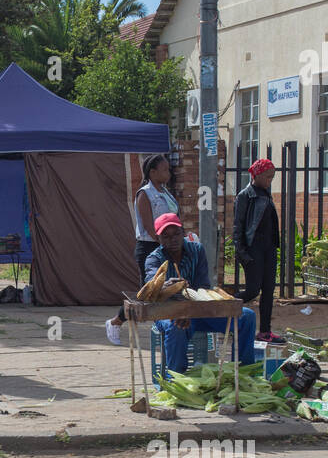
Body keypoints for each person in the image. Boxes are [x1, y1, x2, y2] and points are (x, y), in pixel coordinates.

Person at [107, 213, 256, 374]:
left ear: (183, 232)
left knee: (246, 316)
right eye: (166, 236)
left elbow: (203, 286)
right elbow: (153, 289)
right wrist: (166, 286)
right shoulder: (154, 259)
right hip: (168, 313)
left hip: (198, 312)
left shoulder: (196, 251)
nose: (173, 239)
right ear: (159, 239)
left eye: (176, 233)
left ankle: (243, 372)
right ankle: (176, 378)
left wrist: (189, 311)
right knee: (176, 326)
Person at [234, 158, 283, 343]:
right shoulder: (245, 196)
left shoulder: (266, 194)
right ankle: (226, 306)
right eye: (268, 176)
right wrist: (241, 252)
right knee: (253, 290)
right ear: (257, 175)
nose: (270, 180)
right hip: (253, 249)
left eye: (272, 177)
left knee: (269, 290)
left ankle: (265, 331)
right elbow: (238, 227)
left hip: (269, 249)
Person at [133, 153, 179, 281]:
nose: (168, 172)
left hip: (167, 246)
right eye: (164, 169)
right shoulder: (145, 194)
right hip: (150, 247)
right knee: (152, 288)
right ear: (153, 172)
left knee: (169, 285)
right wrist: (165, 243)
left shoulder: (165, 193)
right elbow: (148, 226)